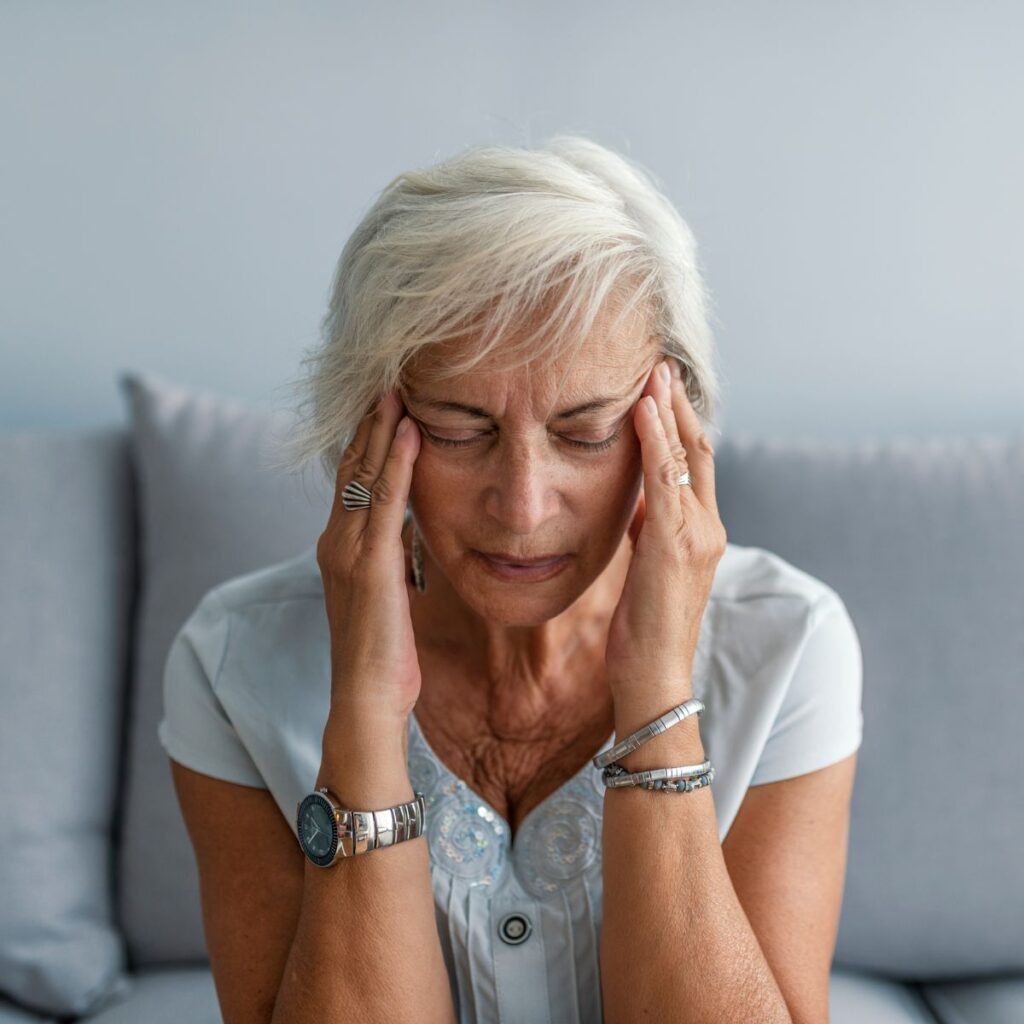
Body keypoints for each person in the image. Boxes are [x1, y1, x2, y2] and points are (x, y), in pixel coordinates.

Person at [160, 135, 863, 1024]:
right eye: (459, 430)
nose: (524, 507)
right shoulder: (231, 666)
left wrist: (653, 697)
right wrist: (368, 711)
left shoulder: (790, 644)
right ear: (368, 425)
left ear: (671, 426)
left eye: (586, 431)